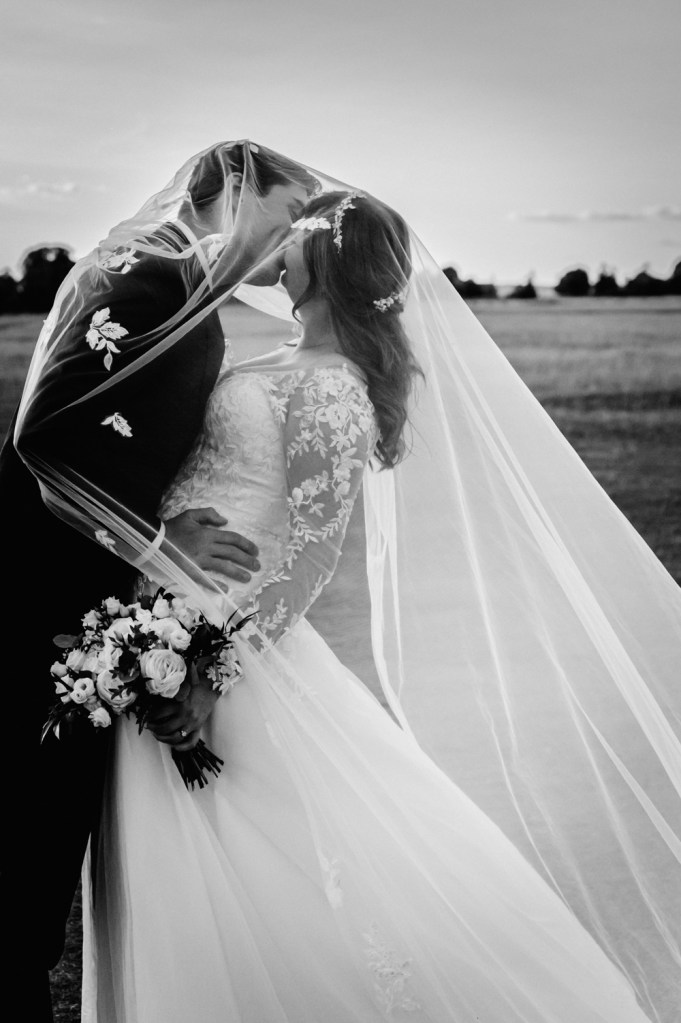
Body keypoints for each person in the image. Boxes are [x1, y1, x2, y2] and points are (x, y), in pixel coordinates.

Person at [15, 148, 681, 1022]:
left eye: (299, 230)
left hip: (222, 642)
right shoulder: (270, 353)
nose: (279, 242)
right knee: (167, 860)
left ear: (328, 258)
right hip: (159, 613)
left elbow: (312, 556)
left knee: (262, 864)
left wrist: (212, 670)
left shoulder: (331, 387)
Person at [0, 139, 318, 1021]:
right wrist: (156, 538)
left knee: (38, 871)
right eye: (286, 214)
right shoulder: (152, 273)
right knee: (25, 875)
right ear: (237, 190)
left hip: (81, 603)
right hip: (42, 600)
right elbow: (41, 438)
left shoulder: (181, 289)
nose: (290, 238)